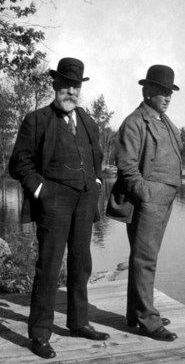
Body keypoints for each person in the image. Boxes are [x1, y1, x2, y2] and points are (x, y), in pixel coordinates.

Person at [9, 57, 110, 359]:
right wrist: (41, 190)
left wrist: (95, 182)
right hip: (52, 204)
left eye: (75, 86)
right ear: (54, 85)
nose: (70, 91)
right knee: (49, 268)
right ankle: (39, 334)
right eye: (65, 84)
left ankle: (79, 323)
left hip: (84, 202)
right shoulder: (36, 120)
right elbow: (19, 164)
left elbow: (97, 156)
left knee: (81, 266)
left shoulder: (88, 121)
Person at [107, 64, 182, 342]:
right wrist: (146, 196)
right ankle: (148, 320)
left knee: (146, 258)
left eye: (170, 93)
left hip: (166, 199)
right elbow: (126, 166)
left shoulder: (164, 121)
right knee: (145, 259)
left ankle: (137, 312)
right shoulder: (135, 121)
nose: (167, 97)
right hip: (148, 200)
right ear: (146, 90)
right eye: (162, 91)